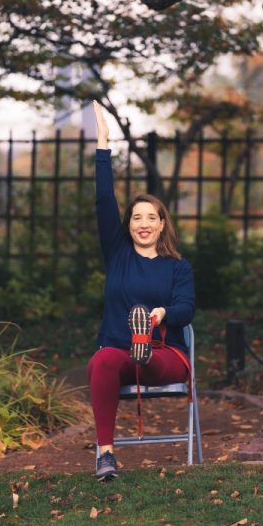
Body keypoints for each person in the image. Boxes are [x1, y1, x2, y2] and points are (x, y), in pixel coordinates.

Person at [86, 101, 195, 481]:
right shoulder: (117, 255)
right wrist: (103, 144)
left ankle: (143, 342)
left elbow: (187, 307)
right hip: (119, 354)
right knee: (102, 361)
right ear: (128, 225)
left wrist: (163, 314)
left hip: (165, 354)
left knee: (146, 350)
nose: (143, 223)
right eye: (136, 217)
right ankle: (105, 455)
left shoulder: (177, 266)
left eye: (152, 217)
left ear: (163, 224)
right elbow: (103, 202)